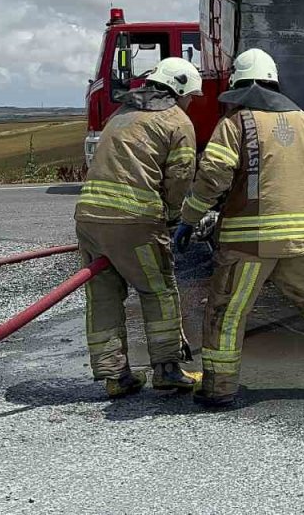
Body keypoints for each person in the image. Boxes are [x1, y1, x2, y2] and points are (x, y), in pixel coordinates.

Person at [176, 48, 304, 409]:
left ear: (238, 84)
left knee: (227, 312)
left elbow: (213, 176)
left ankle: (218, 388)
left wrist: (190, 218)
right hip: (300, 237)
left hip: (249, 242)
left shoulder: (237, 122)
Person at [74, 57, 203, 398]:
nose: (190, 102)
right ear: (178, 88)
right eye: (190, 95)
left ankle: (115, 375)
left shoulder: (121, 114)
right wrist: (176, 216)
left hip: (89, 218)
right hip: (135, 222)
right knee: (158, 290)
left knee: (103, 296)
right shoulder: (176, 121)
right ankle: (168, 369)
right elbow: (179, 177)